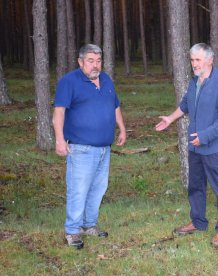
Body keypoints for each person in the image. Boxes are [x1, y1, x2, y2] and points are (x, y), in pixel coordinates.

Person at [155, 43, 218, 246]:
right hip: (195, 147)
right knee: (195, 186)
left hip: (214, 147)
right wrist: (170, 119)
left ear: (210, 60)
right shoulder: (194, 82)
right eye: (192, 60)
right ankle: (198, 222)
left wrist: (206, 136)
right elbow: (185, 105)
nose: (194, 64)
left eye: (197, 60)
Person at [53, 44, 126, 249]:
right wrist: (59, 139)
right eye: (91, 61)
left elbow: (115, 106)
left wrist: (122, 128)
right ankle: (73, 231)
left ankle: (89, 225)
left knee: (98, 188)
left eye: (98, 60)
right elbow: (59, 113)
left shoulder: (106, 80)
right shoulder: (69, 82)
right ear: (80, 61)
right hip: (81, 148)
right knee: (79, 189)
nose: (96, 65)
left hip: (104, 147)